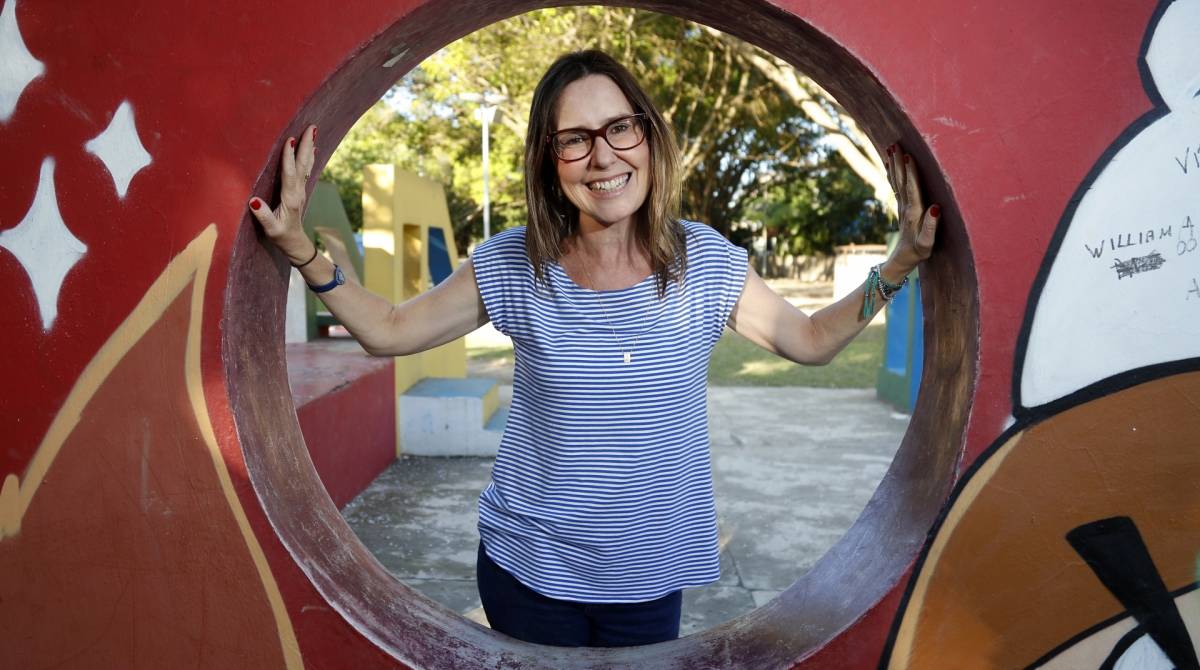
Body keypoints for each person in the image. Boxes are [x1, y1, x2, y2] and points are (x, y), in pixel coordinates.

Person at [249, 49, 938, 648]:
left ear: (647, 136)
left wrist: (901, 263)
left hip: (649, 578)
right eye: (574, 140)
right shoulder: (513, 264)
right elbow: (390, 329)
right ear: (549, 162)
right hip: (529, 569)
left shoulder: (706, 262)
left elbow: (811, 340)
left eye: (618, 129)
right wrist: (300, 249)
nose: (603, 156)